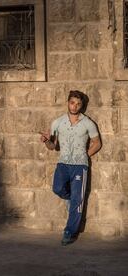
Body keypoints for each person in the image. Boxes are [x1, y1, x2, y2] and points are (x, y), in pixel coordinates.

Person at [39, 90, 101, 246]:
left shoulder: (88, 123)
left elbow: (97, 143)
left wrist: (85, 155)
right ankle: (69, 199)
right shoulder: (57, 122)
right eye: (72, 102)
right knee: (57, 188)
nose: (75, 106)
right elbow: (52, 146)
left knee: (78, 200)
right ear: (68, 102)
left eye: (78, 103)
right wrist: (46, 140)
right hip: (63, 164)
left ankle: (69, 232)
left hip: (80, 166)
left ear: (82, 105)